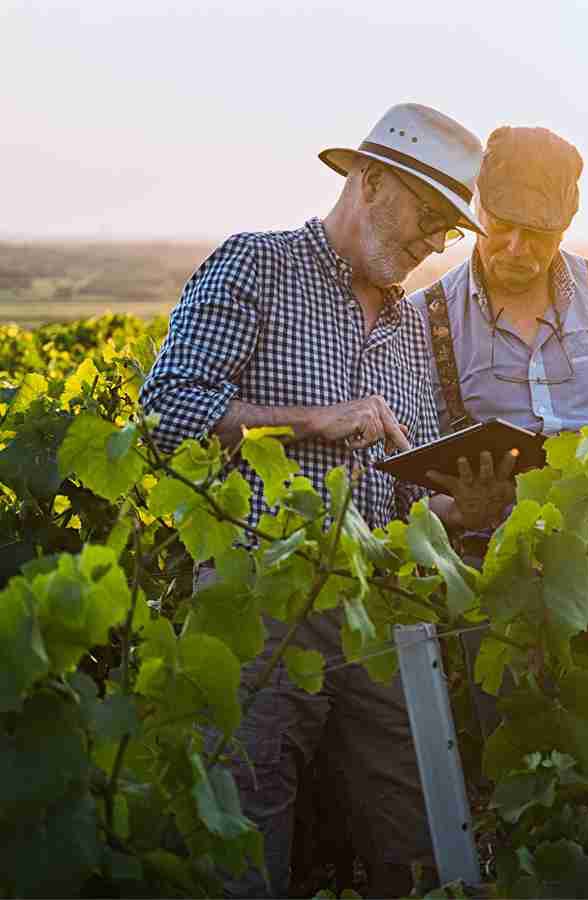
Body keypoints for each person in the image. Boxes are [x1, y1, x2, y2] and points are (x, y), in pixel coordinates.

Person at [139, 103, 507, 897]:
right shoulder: (256, 265)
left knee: (420, 834)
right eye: (430, 217)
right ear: (369, 181)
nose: (434, 243)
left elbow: (410, 500)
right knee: (244, 831)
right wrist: (313, 421)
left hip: (386, 607)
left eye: (450, 229)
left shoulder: (416, 329)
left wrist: (464, 511)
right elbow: (166, 417)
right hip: (262, 598)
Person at [411, 125, 588, 546]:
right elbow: (404, 490)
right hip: (487, 568)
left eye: (536, 233)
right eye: (503, 226)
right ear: (478, 209)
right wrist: (457, 509)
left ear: (565, 227)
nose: (515, 246)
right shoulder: (424, 317)